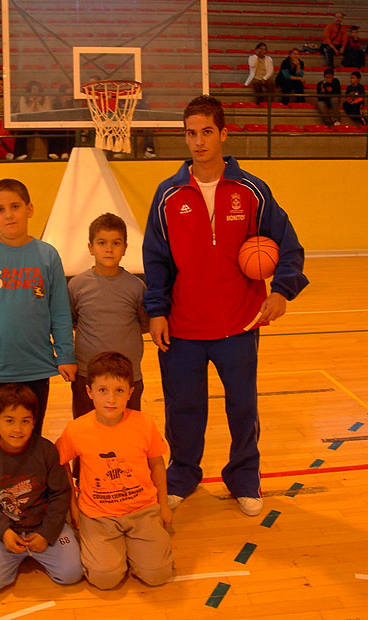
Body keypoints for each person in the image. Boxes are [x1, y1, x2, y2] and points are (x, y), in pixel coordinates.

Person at [142, 95, 309, 517]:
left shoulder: (252, 190)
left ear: (224, 134)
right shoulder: (168, 195)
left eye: (206, 132)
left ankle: (243, 479)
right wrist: (156, 310)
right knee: (183, 406)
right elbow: (155, 260)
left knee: (242, 405)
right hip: (182, 326)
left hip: (240, 321)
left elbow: (289, 246)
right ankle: (182, 475)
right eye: (190, 133)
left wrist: (282, 292)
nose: (198, 142)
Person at [0, 178, 77, 451]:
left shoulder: (47, 256)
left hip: (35, 365)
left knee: (29, 436)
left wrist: (66, 354)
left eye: (15, 206)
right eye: (0, 209)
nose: (8, 214)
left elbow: (59, 310)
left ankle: (27, 491)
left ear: (29, 209)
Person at [56, 351, 175, 589]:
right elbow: (61, 465)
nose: (111, 399)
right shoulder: (76, 429)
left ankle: (138, 550)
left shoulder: (143, 423)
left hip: (142, 510)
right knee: (104, 578)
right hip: (98, 515)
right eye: (102, 390)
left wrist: (162, 504)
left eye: (119, 391)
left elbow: (157, 464)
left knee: (158, 574)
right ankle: (118, 552)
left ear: (130, 393)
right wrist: (73, 507)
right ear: (89, 392)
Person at [0, 384, 82, 592]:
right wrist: (3, 532)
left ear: (34, 422)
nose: (17, 429)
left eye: (25, 421)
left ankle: (49, 547)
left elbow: (60, 495)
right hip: (7, 532)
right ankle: (15, 553)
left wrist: (46, 533)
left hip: (44, 526)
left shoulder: (46, 451)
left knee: (72, 574)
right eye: (9, 421)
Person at [68, 213, 149, 420]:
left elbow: (144, 324)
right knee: (85, 434)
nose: (109, 249)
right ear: (90, 247)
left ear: (125, 248)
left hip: (128, 376)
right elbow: (73, 321)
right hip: (87, 374)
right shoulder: (77, 285)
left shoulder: (136, 287)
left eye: (116, 243)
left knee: (128, 434)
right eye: (102, 242)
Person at [0, 76, 27, 161]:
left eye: (2, 84)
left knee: (3, 133)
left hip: (6, 119)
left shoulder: (10, 97)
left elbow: (14, 111)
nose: (0, 86)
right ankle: (5, 155)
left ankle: (17, 152)